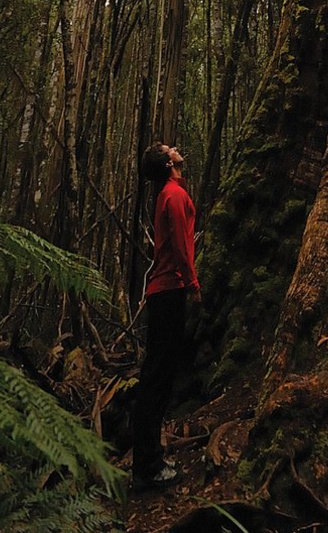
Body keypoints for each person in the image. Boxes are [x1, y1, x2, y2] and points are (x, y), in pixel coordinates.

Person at [131, 142, 200, 490]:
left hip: (166, 290)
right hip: (168, 290)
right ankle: (147, 465)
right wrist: (192, 282)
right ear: (167, 162)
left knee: (159, 375)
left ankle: (150, 457)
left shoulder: (171, 193)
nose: (175, 147)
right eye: (168, 148)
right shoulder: (172, 196)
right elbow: (179, 244)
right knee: (156, 378)